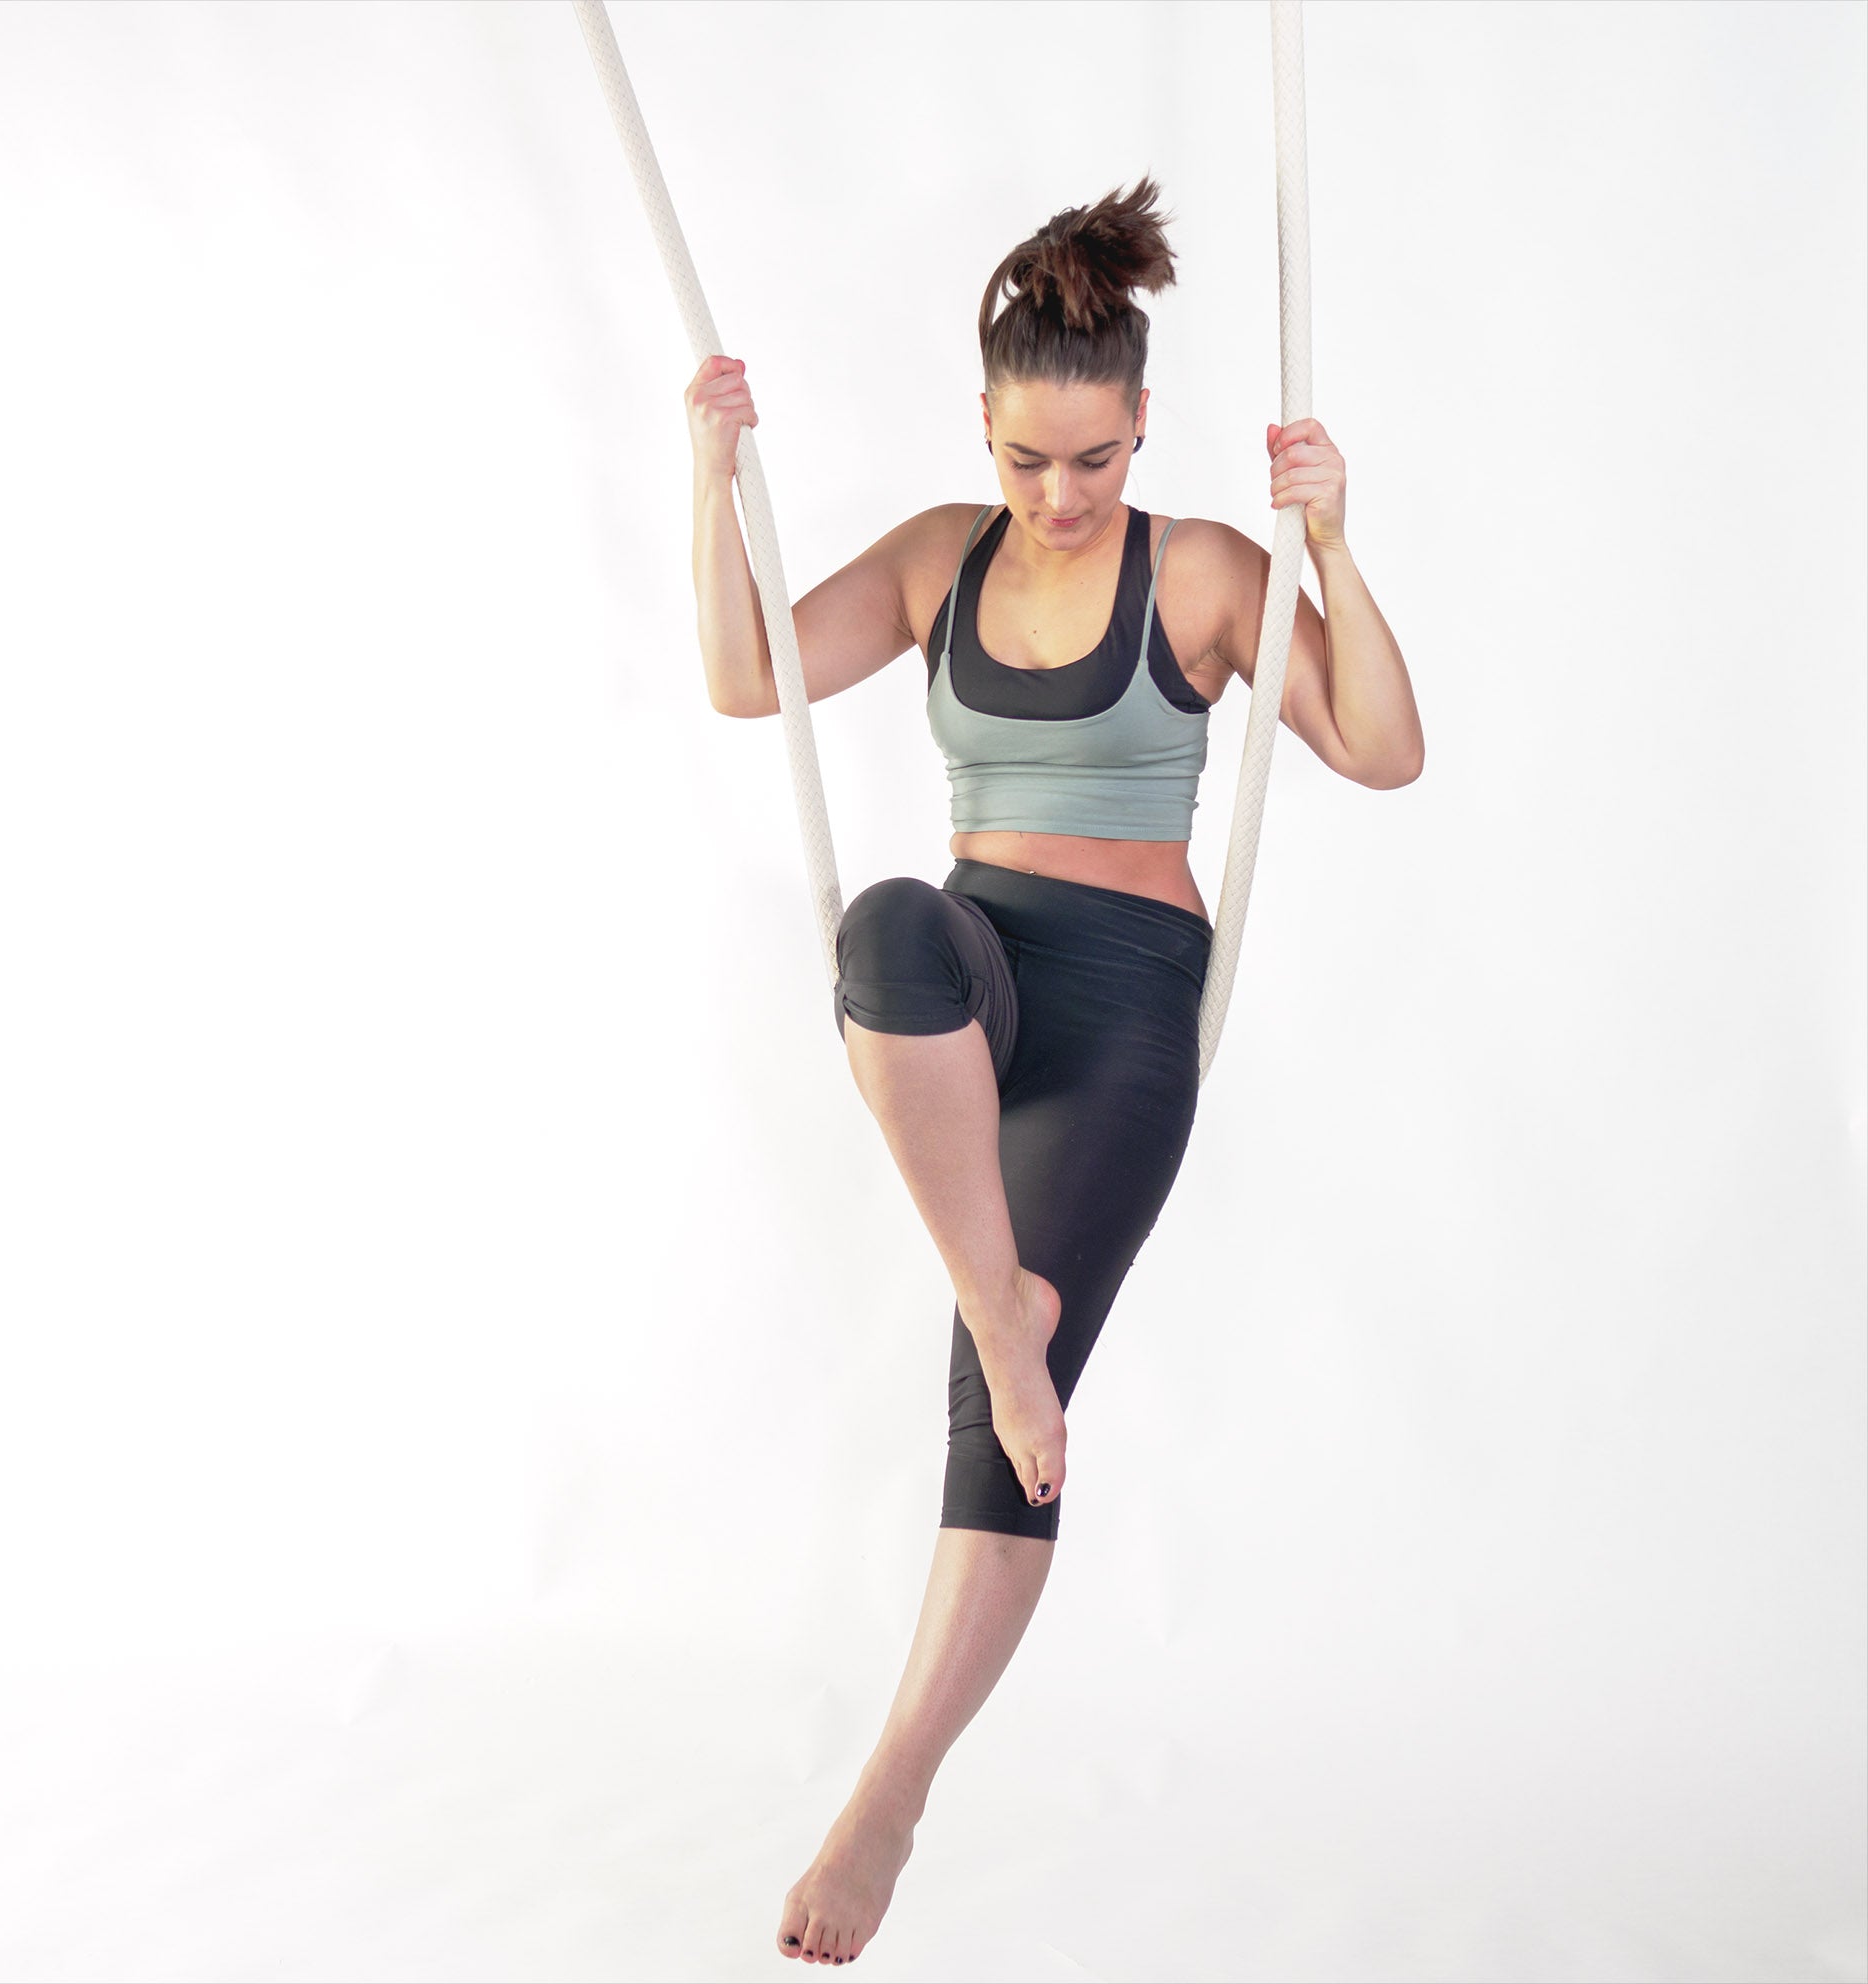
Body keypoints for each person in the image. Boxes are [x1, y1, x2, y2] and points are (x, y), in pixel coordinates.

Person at [685, 174, 1425, 1967]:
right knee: (886, 926)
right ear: (985, 428)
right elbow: (749, 676)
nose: (1061, 496)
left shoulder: (1204, 573)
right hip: (979, 972)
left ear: (1143, 424)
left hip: (1124, 1011)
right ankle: (1006, 1321)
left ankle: (887, 1796)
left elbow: (1383, 749)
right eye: (1027, 459)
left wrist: (1332, 545)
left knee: (994, 1434)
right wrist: (711, 480)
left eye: (1093, 459)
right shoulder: (943, 557)